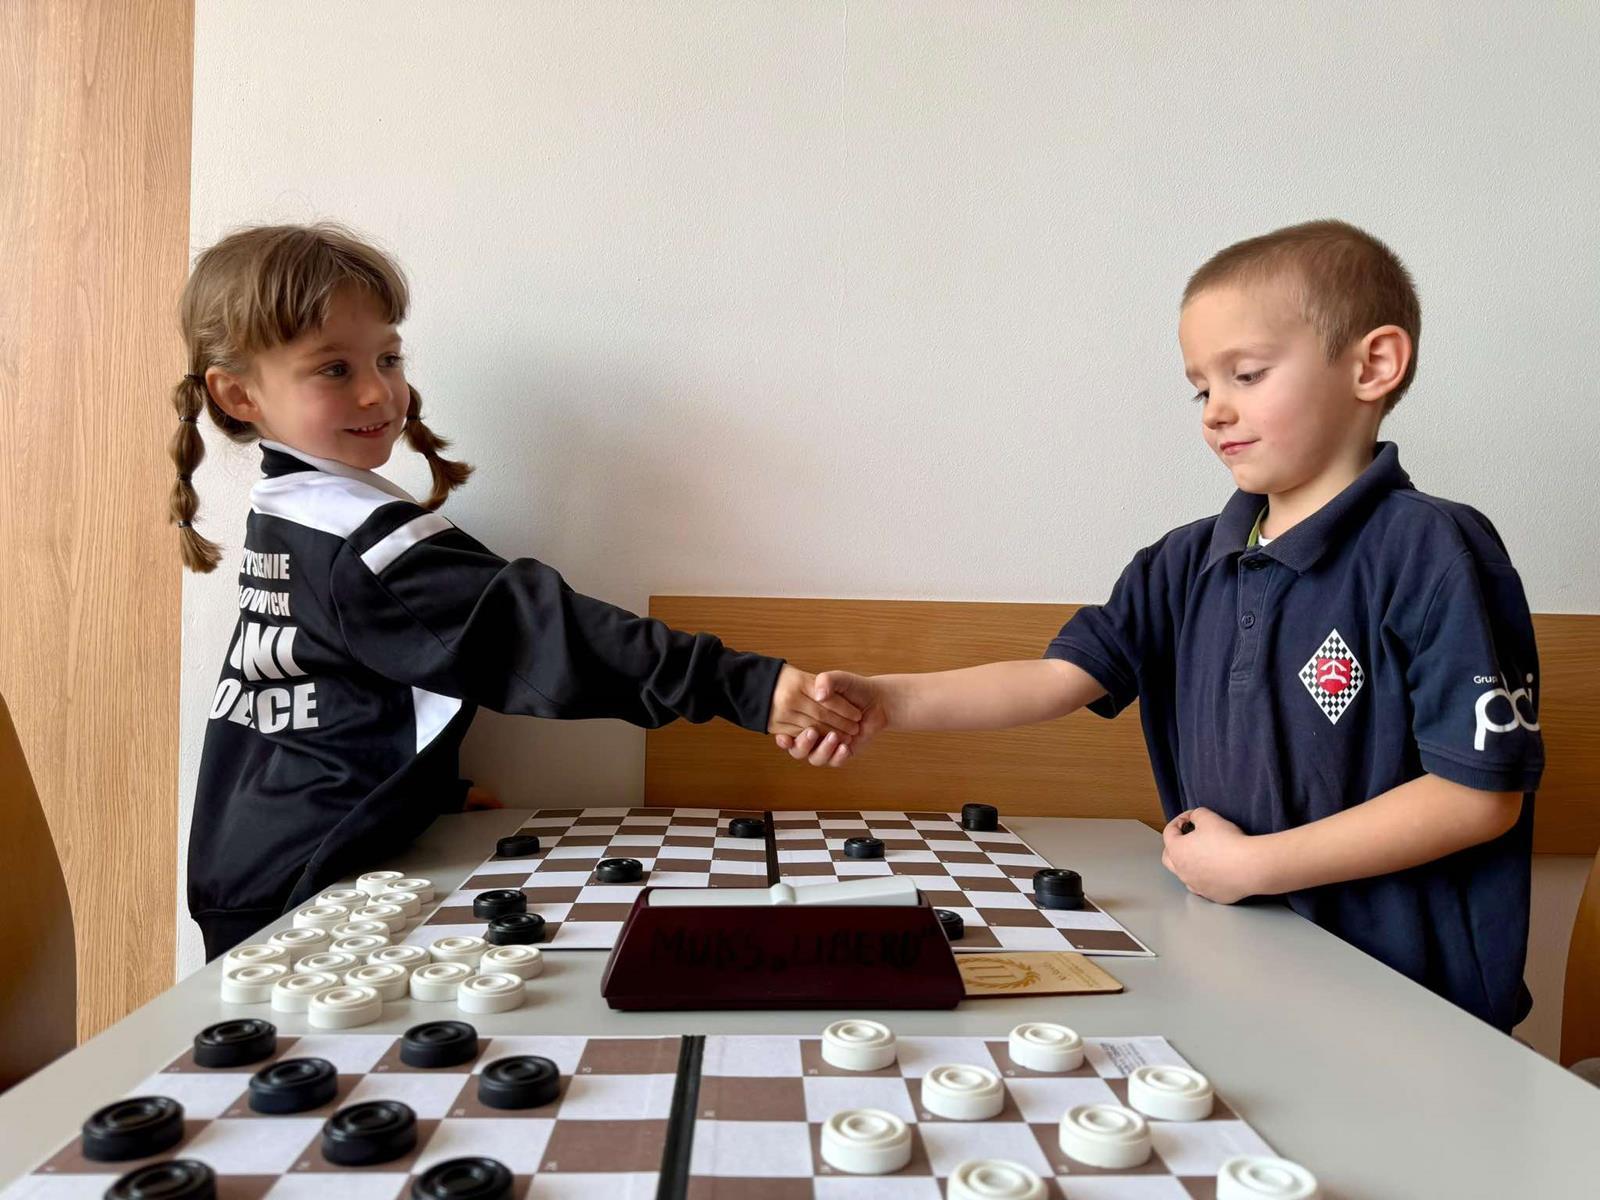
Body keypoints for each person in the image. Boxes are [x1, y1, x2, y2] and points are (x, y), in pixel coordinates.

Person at [779, 220, 1544, 1031]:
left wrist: (1253, 865)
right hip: (1237, 970)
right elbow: (1055, 678)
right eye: (1201, 389)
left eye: (1247, 374)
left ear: (1373, 365)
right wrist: (888, 700)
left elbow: (1478, 799)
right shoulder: (1182, 563)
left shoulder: (1434, 550)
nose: (1217, 411)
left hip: (1410, 1011)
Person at [174, 222, 860, 959]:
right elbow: (540, 636)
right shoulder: (356, 536)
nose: (378, 390)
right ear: (239, 394)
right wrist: (751, 688)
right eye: (334, 369)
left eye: (388, 357)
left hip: (264, 859)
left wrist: (421, 797)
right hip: (310, 883)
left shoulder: (291, 511)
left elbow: (327, 688)